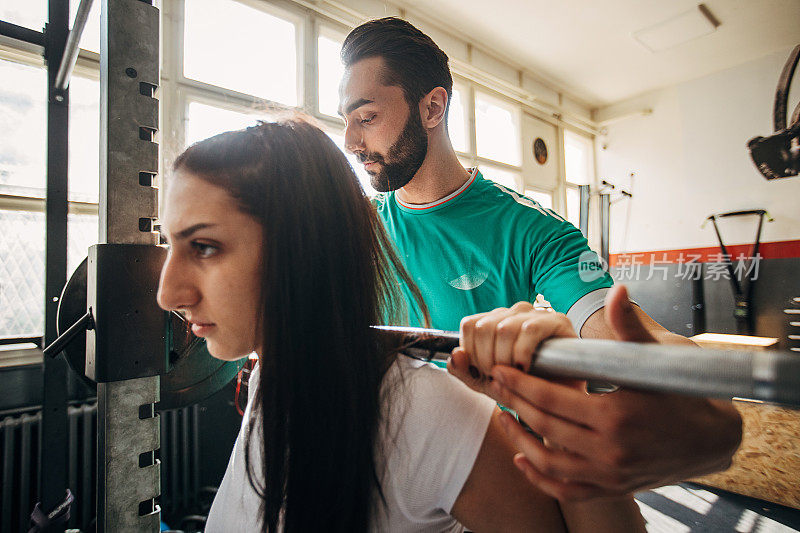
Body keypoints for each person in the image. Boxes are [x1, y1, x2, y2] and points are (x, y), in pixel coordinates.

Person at [156, 119, 645, 531]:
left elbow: (616, 331)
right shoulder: (271, 375)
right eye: (172, 244)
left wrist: (564, 408)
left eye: (204, 247)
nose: (167, 294)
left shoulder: (425, 411)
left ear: (300, 252)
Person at [338, 17, 742, 501]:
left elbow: (629, 331)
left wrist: (709, 407)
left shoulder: (533, 229)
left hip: (492, 483)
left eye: (365, 118)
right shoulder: (357, 228)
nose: (350, 142)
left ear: (432, 107)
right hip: (382, 469)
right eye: (346, 121)